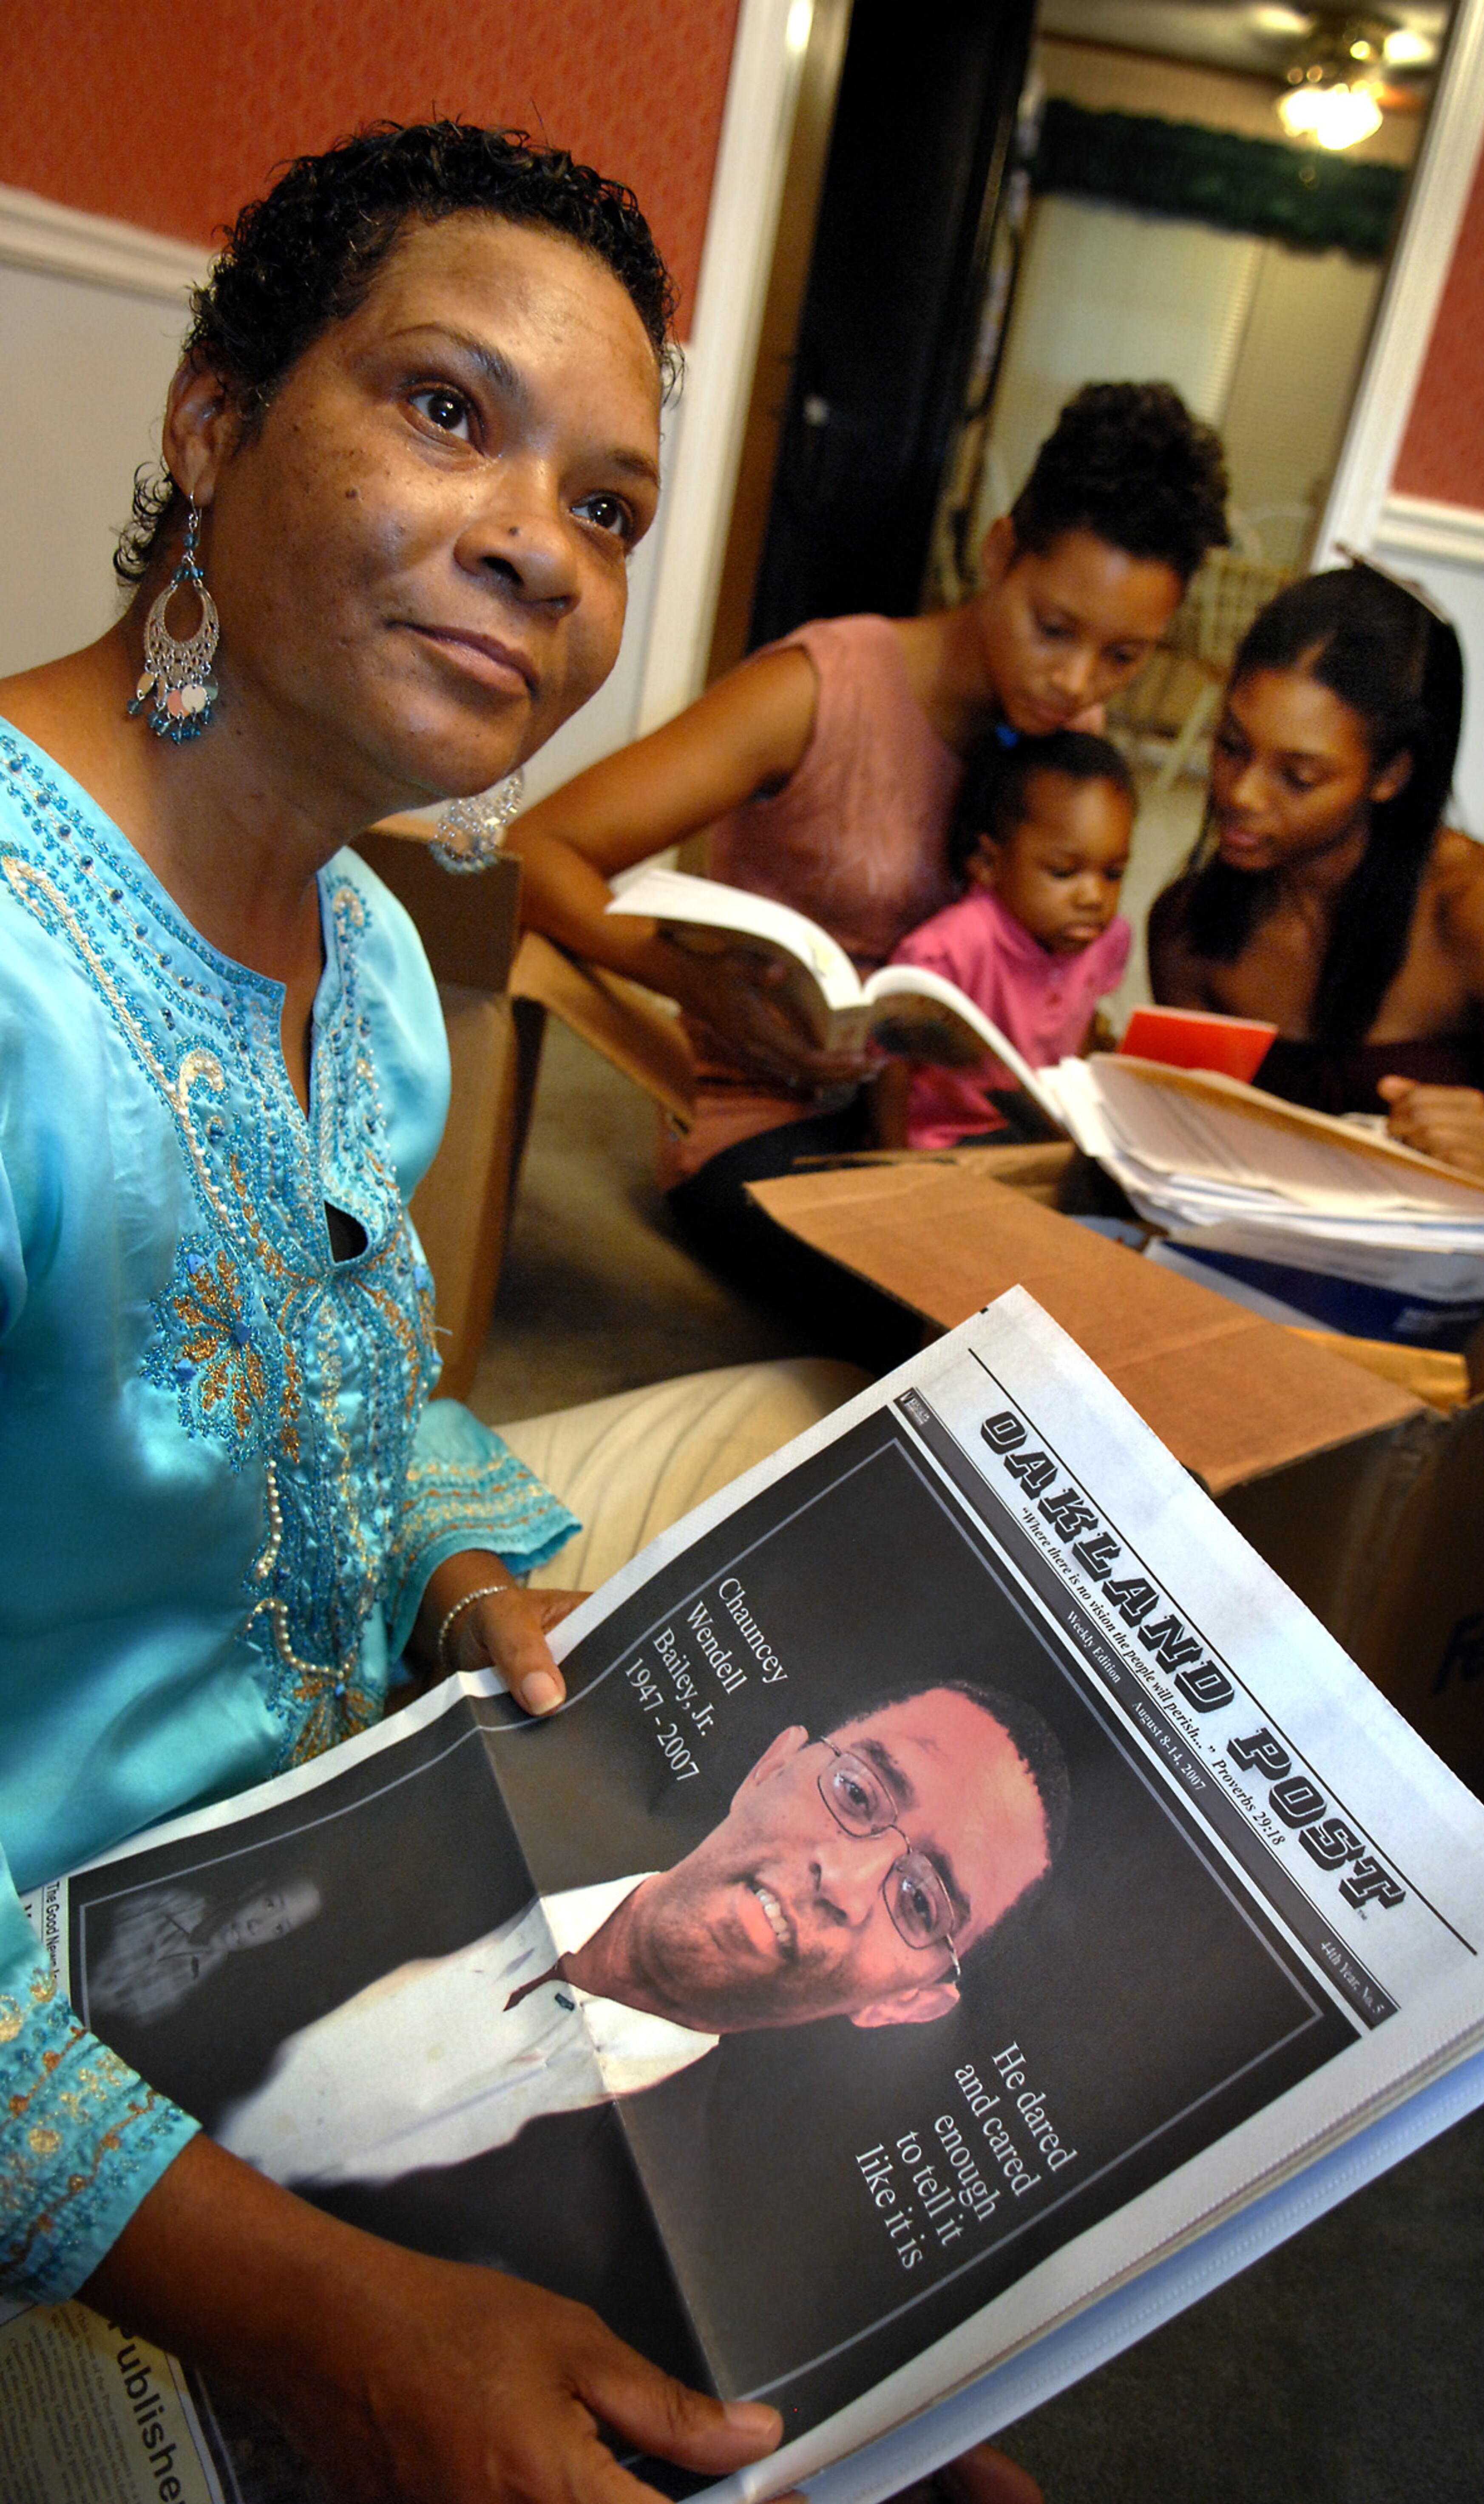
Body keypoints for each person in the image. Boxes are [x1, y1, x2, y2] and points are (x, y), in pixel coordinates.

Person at [0, 122, 790, 2504]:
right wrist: (335, 2319)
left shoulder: (373, 989)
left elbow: (370, 1401)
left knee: (826, 1432)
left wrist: (460, 1556)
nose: (540, 545)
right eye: (449, 410)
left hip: (319, 1853)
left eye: (613, 507)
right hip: (68, 1993)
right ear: (213, 419)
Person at [505, 382, 1229, 1341]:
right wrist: (698, 986)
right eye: (1054, 629)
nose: (1077, 683)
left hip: (951, 1122)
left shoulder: (1067, 736)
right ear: (1001, 553)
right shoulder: (817, 689)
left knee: (1129, 1282)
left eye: (1123, 657)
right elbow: (536, 848)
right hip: (766, 1121)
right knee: (965, 1323)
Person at [218, 1682, 1069, 2188]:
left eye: (921, 1905)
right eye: (857, 1793)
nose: (841, 1881)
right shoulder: (455, 1799)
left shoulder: (664, 2221)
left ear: (909, 2002)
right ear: (772, 1766)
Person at [1147, 561, 1484, 1224]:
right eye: (1230, 747)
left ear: (1390, 774)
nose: (1242, 794)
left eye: (1299, 776)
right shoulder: (1188, 928)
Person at [877, 730, 1133, 1150]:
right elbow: (891, 1066)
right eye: (1063, 872)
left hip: (1039, 1134)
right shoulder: (949, 950)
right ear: (989, 863)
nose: (1093, 898)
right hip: (946, 1143)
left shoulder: (1109, 939)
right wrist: (889, 1160)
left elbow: (1082, 1031)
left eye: (1113, 873)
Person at [92, 1881, 324, 2025]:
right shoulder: (169, 1903)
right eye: (270, 1905)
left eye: (278, 1928)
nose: (257, 1927)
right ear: (252, 1891)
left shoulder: (207, 1981)